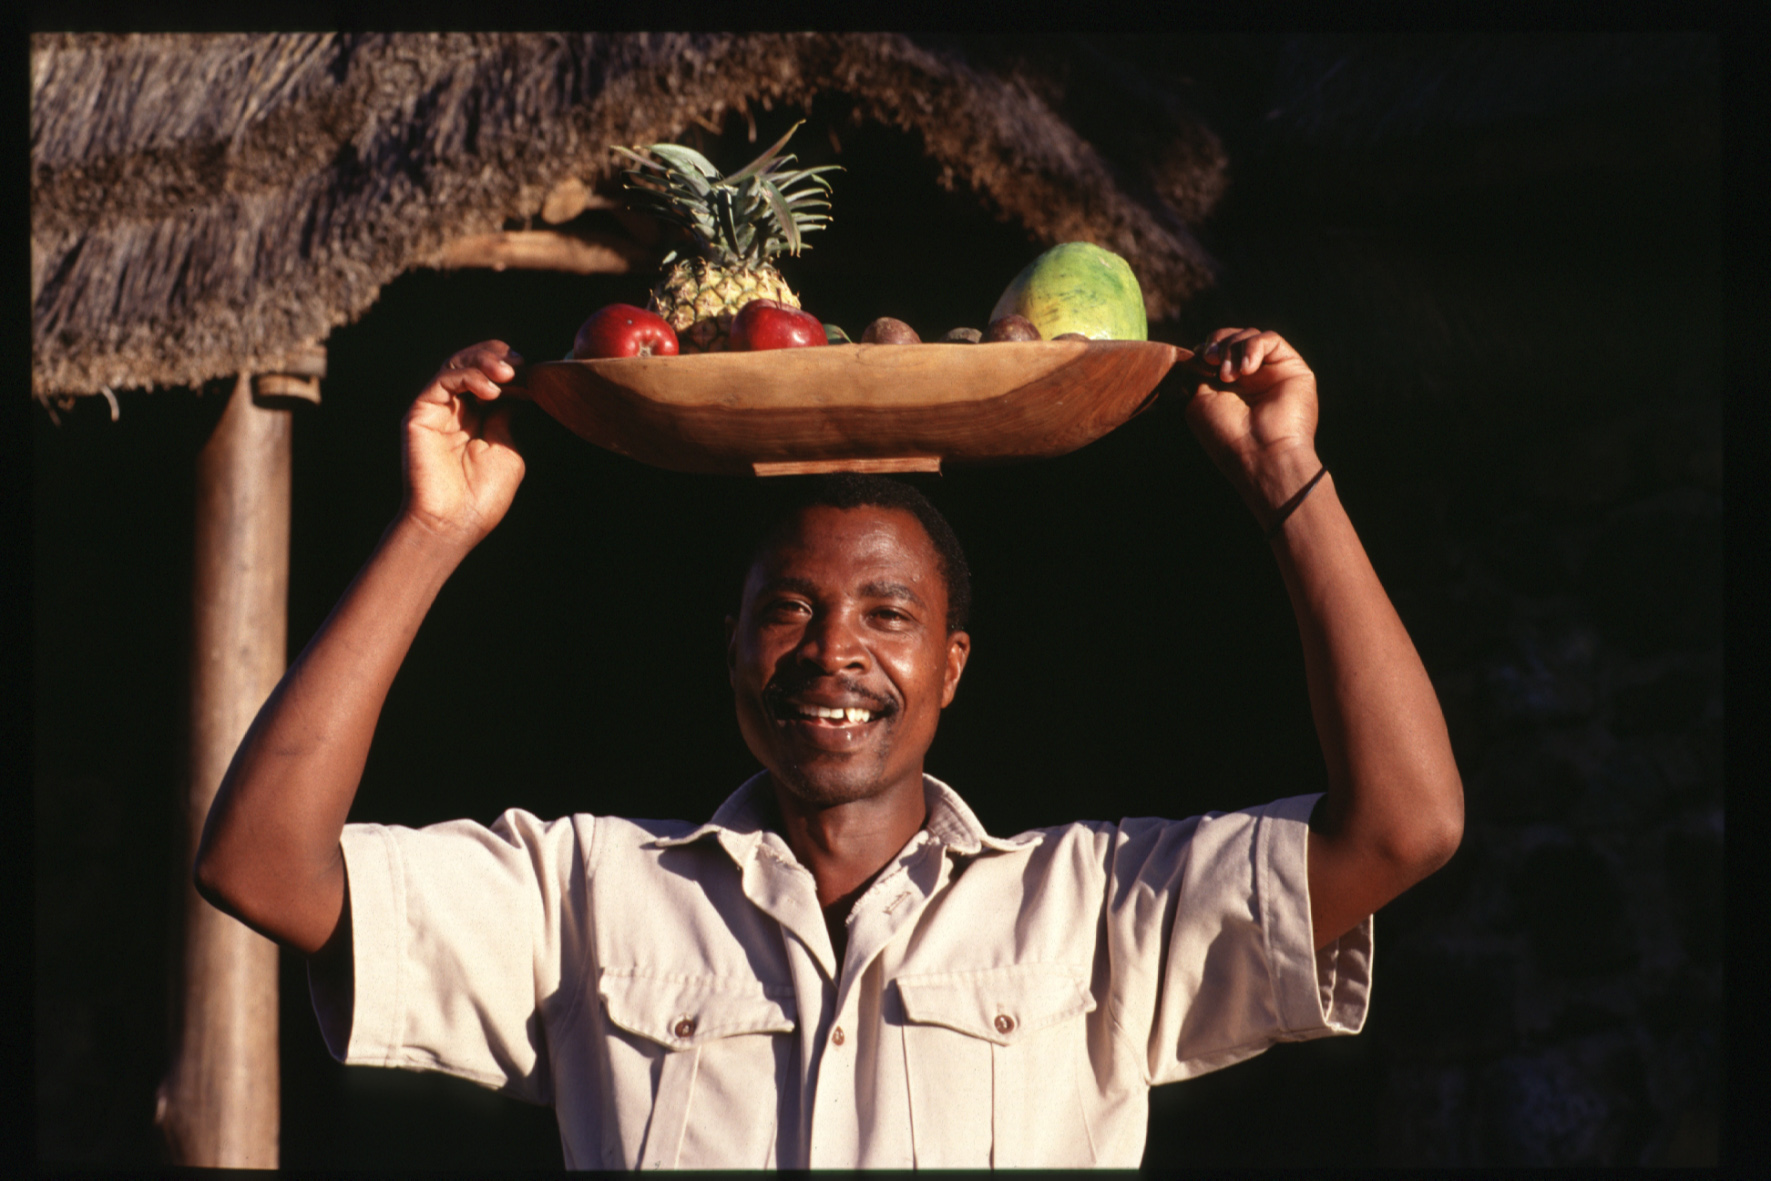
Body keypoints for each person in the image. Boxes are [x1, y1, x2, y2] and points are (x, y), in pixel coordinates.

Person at [194, 327, 1463, 1169]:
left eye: (888, 614)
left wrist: (1290, 483)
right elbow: (258, 864)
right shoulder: (584, 895)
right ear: (733, 647)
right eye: (788, 609)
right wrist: (434, 526)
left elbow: (1406, 824)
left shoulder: (1093, 910)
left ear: (952, 663)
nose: (832, 652)